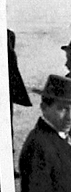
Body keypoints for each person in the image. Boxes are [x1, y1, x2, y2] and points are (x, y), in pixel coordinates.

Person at [8, 29, 32, 176]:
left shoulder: (8, 35)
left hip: (5, 90)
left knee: (6, 127)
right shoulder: (8, 35)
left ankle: (7, 164)